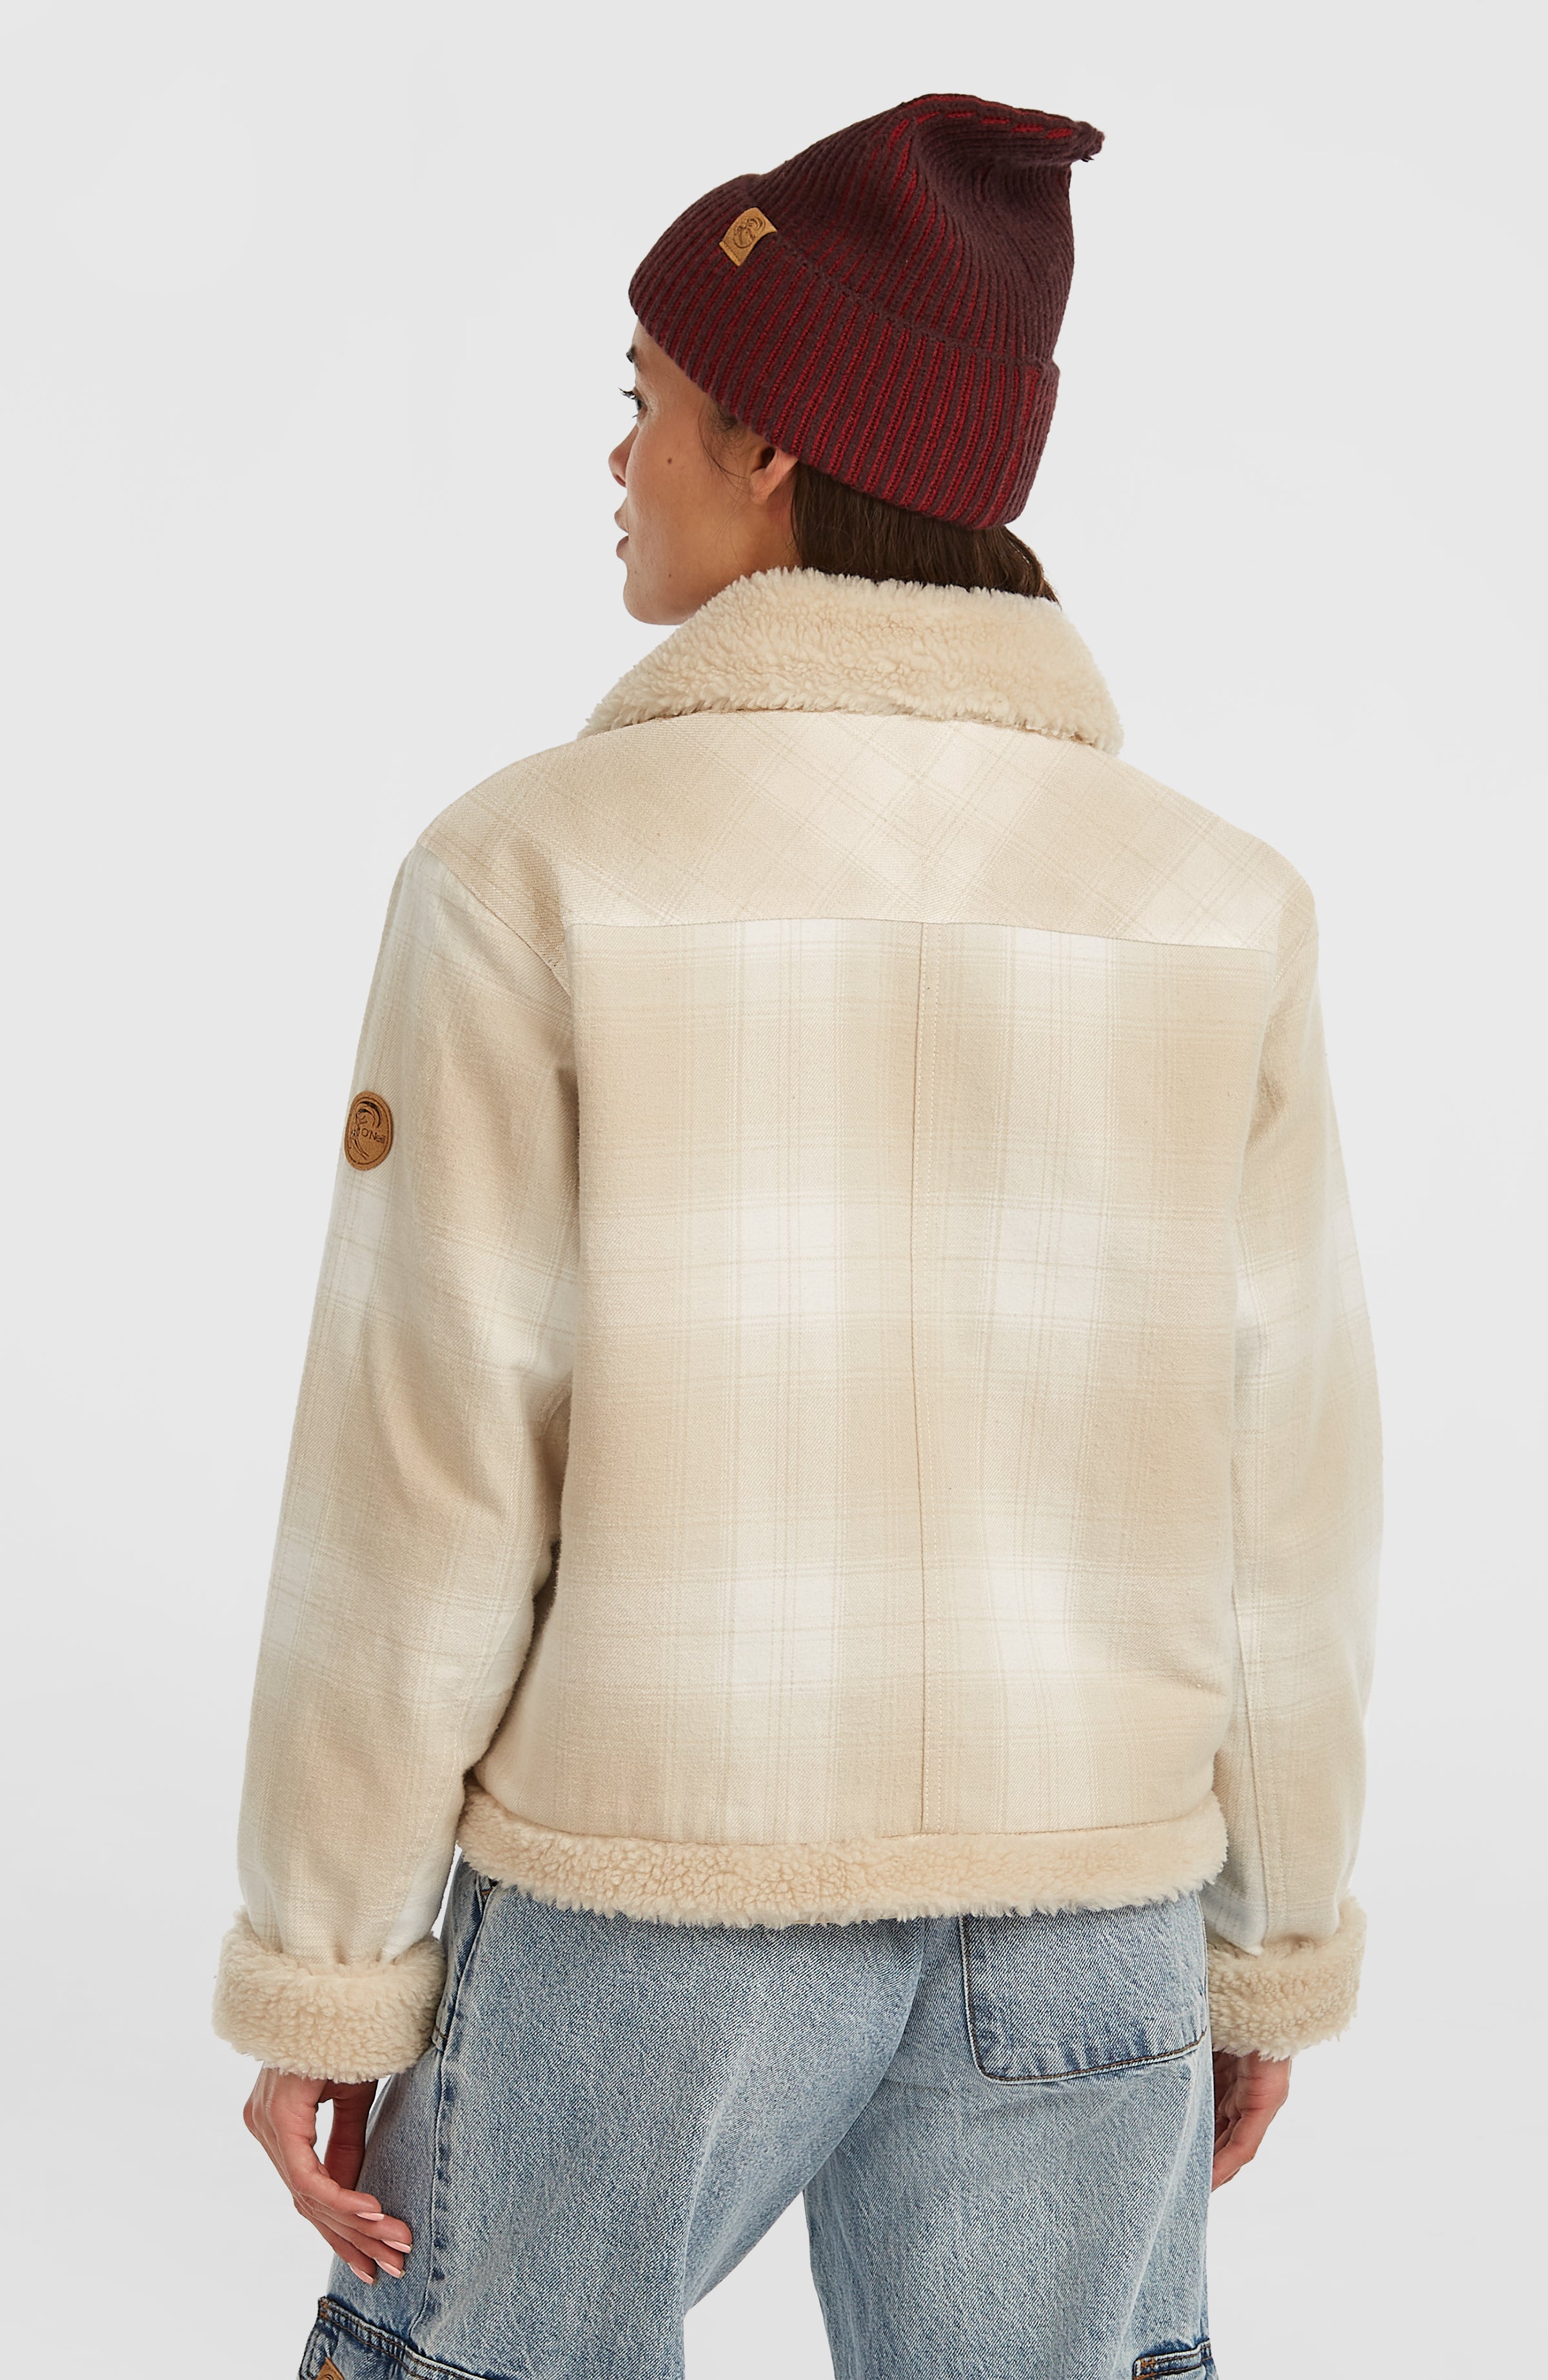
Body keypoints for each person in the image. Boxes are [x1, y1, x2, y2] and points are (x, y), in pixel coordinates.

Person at [213, 92, 1382, 2380]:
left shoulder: (524, 873)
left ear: (772, 450)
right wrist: (1270, 1933)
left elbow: (428, 1465)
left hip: (648, 1887)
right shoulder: (1218, 905)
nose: (617, 456)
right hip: (1086, 1899)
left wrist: (328, 1964)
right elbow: (1288, 1499)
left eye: (645, 402)